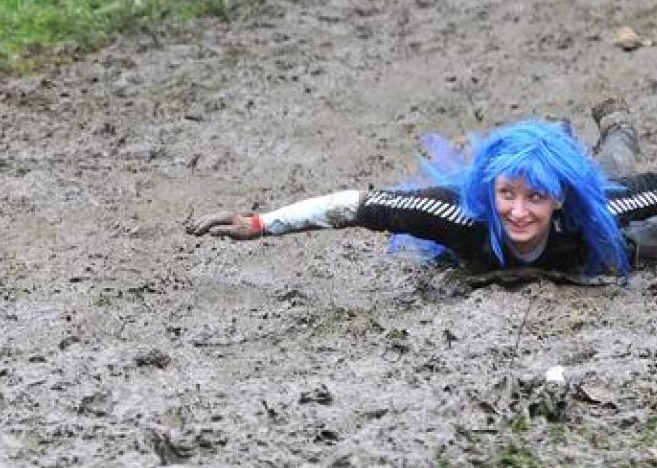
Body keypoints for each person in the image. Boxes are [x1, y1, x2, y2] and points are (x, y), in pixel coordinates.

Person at [188, 99, 657, 281]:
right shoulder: (457, 216)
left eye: (535, 198)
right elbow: (357, 206)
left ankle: (618, 126)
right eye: (507, 193)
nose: (517, 212)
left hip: (593, 219)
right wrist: (259, 224)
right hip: (480, 253)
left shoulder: (588, 211)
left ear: (558, 201)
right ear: (491, 188)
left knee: (609, 175)